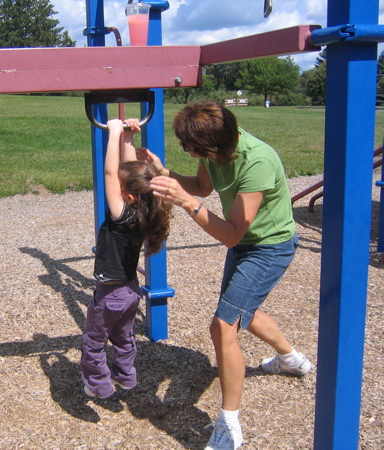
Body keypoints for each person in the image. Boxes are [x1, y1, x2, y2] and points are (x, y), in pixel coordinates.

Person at [138, 101, 312, 449]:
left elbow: (231, 232)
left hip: (269, 247)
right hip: (246, 244)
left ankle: (228, 425)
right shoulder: (214, 153)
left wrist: (186, 203)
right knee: (241, 314)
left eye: (191, 148)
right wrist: (165, 172)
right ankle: (291, 360)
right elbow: (202, 188)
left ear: (213, 145)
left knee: (222, 325)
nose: (188, 152)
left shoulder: (257, 162)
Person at [80, 118, 172, 399]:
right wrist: (129, 138)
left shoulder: (121, 215)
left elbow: (110, 173)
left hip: (110, 293)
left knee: (94, 341)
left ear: (128, 196)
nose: (114, 185)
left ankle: (98, 385)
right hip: (131, 290)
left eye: (119, 187)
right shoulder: (146, 209)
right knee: (123, 336)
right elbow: (130, 173)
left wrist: (115, 132)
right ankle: (126, 376)